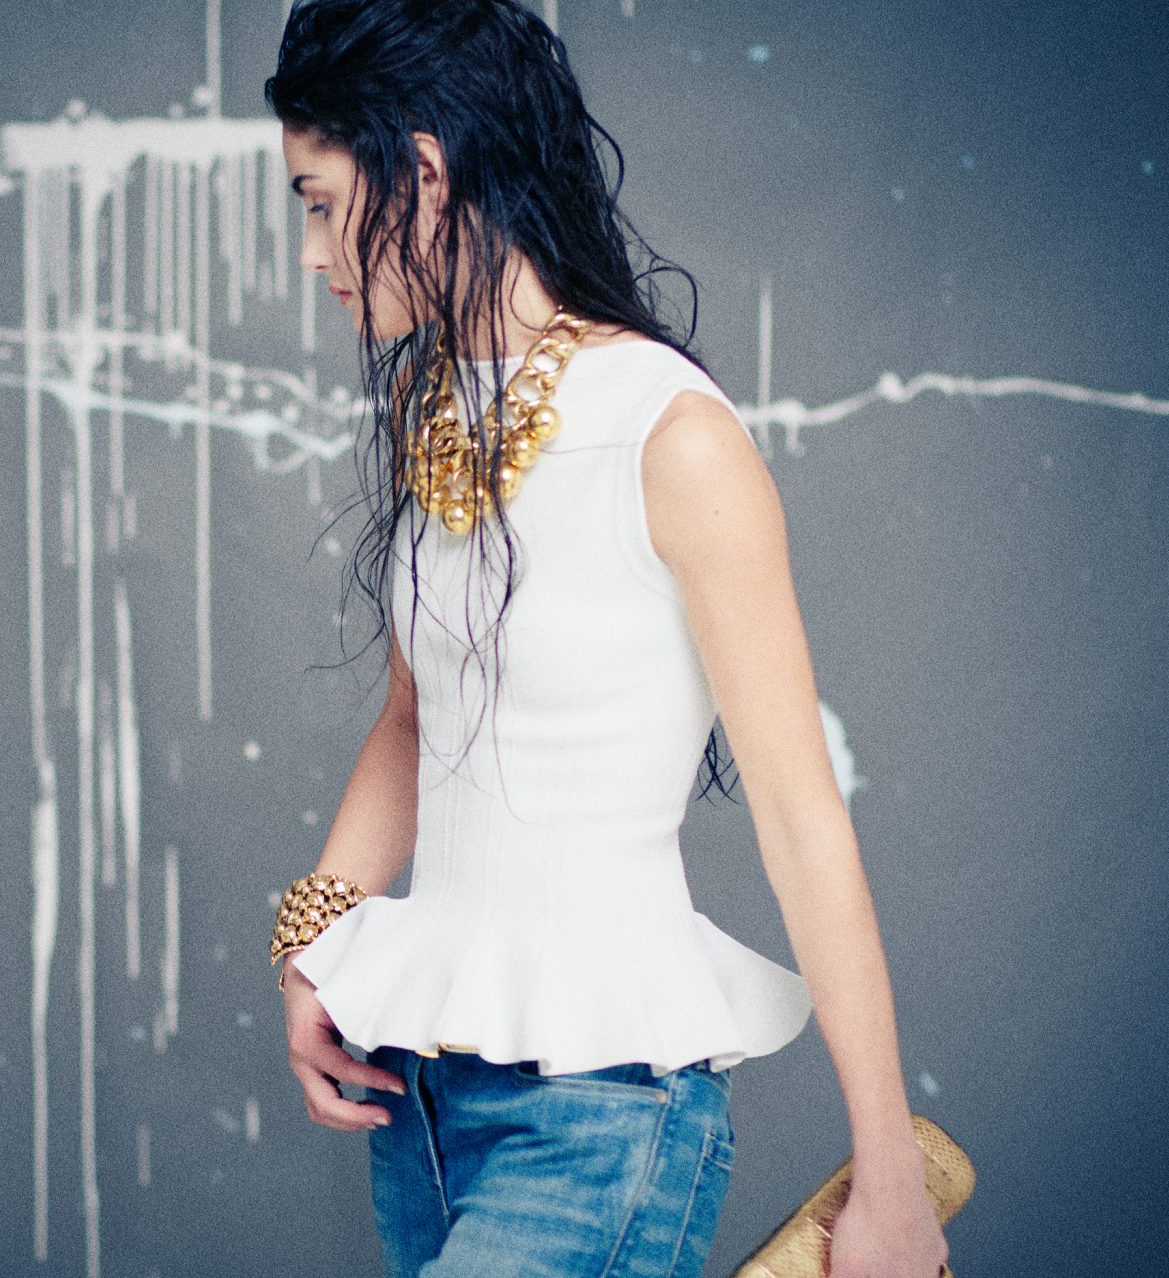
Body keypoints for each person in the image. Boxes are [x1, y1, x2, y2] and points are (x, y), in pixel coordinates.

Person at [260, 3, 951, 1276]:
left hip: (602, 1119)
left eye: (319, 204)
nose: (311, 254)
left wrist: (889, 1179)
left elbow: (801, 818)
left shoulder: (668, 434)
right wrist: (312, 951)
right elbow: (417, 721)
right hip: (418, 1103)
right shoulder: (440, 412)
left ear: (423, 174)